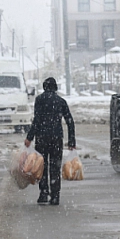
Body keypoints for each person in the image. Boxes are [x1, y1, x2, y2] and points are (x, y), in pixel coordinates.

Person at [24, 77, 76, 206]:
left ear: (44, 87)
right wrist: (71, 141)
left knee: (41, 166)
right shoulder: (60, 101)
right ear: (55, 87)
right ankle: (55, 196)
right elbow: (70, 121)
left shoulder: (39, 100)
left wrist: (29, 137)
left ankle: (43, 194)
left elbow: (36, 120)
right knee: (55, 167)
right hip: (56, 138)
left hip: (42, 138)